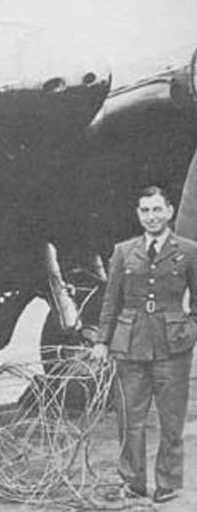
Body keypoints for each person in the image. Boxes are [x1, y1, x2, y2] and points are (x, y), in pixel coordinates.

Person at [89, 185, 197, 504]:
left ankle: (168, 481)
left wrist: (190, 329)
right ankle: (133, 481)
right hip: (130, 344)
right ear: (138, 214)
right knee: (130, 419)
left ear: (170, 211)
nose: (151, 217)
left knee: (171, 419)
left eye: (157, 209)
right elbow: (111, 301)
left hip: (172, 347)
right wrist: (101, 341)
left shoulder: (189, 251)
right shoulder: (124, 251)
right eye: (145, 211)